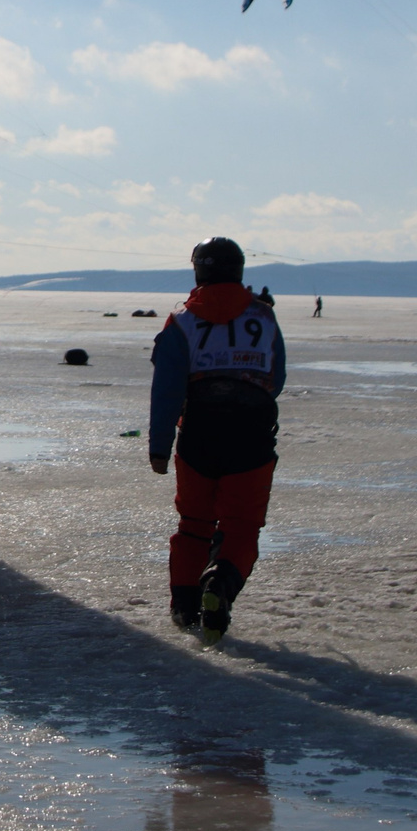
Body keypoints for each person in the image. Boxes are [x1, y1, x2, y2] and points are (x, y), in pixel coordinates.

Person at [148, 237, 286, 647]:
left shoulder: (182, 321)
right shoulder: (263, 317)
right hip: (252, 435)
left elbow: (167, 389)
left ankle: (185, 604)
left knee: (194, 526)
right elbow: (275, 378)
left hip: (200, 435)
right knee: (241, 527)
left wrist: (159, 445)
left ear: (199, 271)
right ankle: (220, 582)